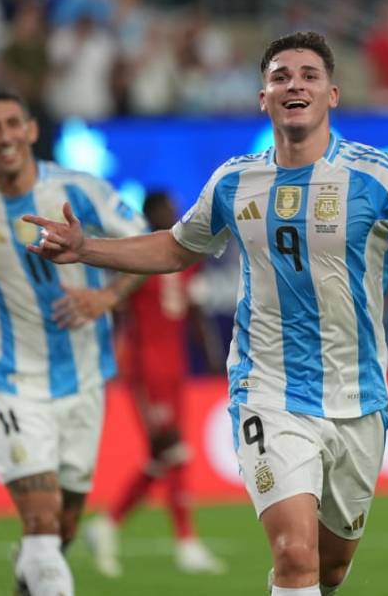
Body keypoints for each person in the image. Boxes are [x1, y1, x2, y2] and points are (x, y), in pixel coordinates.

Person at [24, 31, 388, 595]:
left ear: (332, 94)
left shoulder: (377, 176)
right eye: (281, 77)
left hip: (359, 401)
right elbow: (174, 247)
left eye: (309, 76)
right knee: (295, 555)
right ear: (263, 98)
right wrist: (85, 247)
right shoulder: (234, 180)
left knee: (331, 568)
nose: (295, 84)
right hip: (269, 392)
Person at [0, 90, 148, 596]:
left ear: (29, 130)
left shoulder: (79, 189)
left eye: (11, 124)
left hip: (85, 379)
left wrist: (106, 296)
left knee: (61, 529)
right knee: (43, 524)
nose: (3, 136)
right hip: (13, 381)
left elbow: (145, 243)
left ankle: (31, 573)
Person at [84, 190, 227, 577]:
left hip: (175, 369)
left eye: (173, 208)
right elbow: (115, 309)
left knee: (169, 456)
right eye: (165, 209)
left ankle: (113, 526)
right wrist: (111, 357)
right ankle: (179, 541)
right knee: (172, 451)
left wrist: (214, 358)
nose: (173, 213)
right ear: (150, 216)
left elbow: (195, 311)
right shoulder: (138, 260)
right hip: (146, 369)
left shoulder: (189, 260)